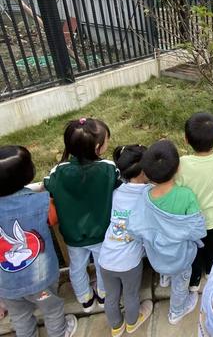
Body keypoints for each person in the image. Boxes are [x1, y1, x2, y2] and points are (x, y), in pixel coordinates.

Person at [0, 145, 77, 337]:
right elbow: (54, 218)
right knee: (52, 308)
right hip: (40, 280)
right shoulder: (40, 203)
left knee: (20, 316)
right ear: (26, 174)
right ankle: (60, 332)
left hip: (7, 285)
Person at [44, 118, 120, 312]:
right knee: (104, 265)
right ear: (97, 147)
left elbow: (47, 185)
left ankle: (85, 299)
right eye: (106, 140)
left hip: (72, 235)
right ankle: (104, 295)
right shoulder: (109, 168)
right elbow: (120, 182)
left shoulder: (59, 171)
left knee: (77, 267)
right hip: (102, 231)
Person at [129, 140, 206, 325]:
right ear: (178, 167)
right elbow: (197, 229)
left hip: (157, 257)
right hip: (179, 259)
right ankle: (176, 312)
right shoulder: (186, 195)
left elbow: (135, 227)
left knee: (166, 266)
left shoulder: (145, 195)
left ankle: (164, 279)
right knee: (180, 285)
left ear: (147, 174)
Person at [99, 145, 153, 337]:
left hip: (105, 258)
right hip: (129, 263)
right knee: (130, 295)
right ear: (143, 172)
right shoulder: (148, 194)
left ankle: (116, 327)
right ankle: (132, 322)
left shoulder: (116, 193)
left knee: (111, 297)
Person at [176, 112, 213, 290]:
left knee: (194, 251)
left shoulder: (182, 163)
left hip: (191, 220)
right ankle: (212, 272)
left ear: (185, 139)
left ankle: (195, 279)